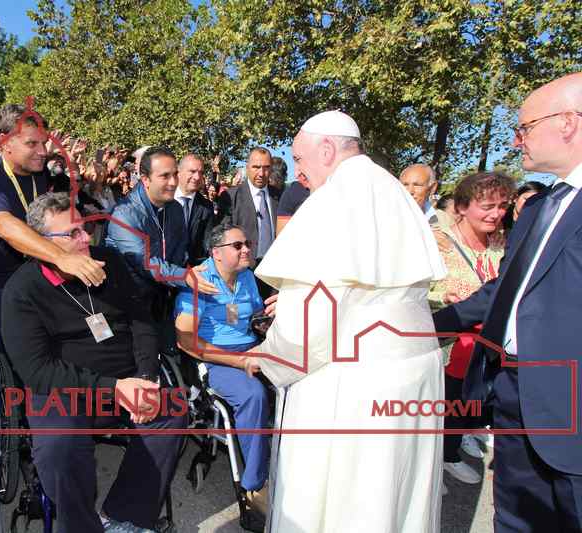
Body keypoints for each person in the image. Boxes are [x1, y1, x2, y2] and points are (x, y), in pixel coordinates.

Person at [243, 110, 446, 532]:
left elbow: (313, 320)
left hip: (354, 380)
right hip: (410, 370)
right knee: (394, 496)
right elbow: (364, 288)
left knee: (349, 499)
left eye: (299, 159)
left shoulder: (334, 198)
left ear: (327, 149)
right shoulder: (392, 190)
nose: (298, 173)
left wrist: (270, 355)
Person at [433, 72, 582, 532]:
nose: (517, 140)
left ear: (568, 122)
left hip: (570, 405)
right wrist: (425, 324)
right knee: (515, 521)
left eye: (525, 127)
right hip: (513, 396)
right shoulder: (538, 207)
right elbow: (503, 292)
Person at [1, 192, 186, 533]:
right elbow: (38, 372)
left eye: (85, 228)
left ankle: (124, 518)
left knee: (172, 409)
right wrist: (116, 388)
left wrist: (146, 377)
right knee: (60, 446)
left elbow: (141, 321)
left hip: (125, 379)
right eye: (72, 233)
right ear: (44, 244)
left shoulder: (108, 261)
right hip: (64, 391)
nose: (86, 238)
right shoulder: (22, 290)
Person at [0, 103, 105, 359]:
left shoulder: (44, 174)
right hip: (3, 284)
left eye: (44, 143)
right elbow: (3, 224)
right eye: (32, 144)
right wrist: (61, 257)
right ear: (5, 141)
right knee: (21, 355)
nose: (42, 151)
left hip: (43, 276)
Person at [174, 223, 269, 528]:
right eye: (237, 246)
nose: (246, 249)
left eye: (247, 244)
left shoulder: (247, 276)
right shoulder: (198, 281)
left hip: (251, 346)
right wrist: (239, 361)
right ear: (216, 253)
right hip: (214, 358)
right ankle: (255, 487)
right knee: (253, 395)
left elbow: (255, 317)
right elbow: (186, 341)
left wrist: (269, 325)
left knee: (301, 379)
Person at [428, 171, 514, 491]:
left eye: (502, 206)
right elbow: (409, 289)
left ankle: (453, 446)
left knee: (464, 404)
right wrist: (441, 297)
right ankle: (433, 466)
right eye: (487, 206)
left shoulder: (502, 243)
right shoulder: (436, 241)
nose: (496, 214)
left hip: (482, 347)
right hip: (441, 344)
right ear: (462, 207)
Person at [105, 146, 218, 341]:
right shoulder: (123, 215)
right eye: (165, 176)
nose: (173, 182)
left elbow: (180, 252)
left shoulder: (174, 208)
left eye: (175, 174)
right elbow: (146, 262)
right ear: (145, 179)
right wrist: (185, 276)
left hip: (161, 300)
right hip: (127, 306)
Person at [219, 147, 280, 299]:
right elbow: (221, 238)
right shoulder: (230, 197)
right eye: (256, 167)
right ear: (247, 167)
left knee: (268, 312)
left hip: (272, 273)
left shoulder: (280, 196)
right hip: (240, 272)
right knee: (236, 311)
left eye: (266, 168)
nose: (261, 173)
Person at [175, 154, 214, 266]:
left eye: (201, 173)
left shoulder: (206, 207)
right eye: (192, 171)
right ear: (178, 172)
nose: (197, 177)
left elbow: (207, 244)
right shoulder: (161, 199)